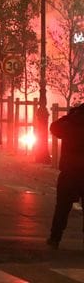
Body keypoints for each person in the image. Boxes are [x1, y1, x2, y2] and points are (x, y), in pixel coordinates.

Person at [46, 103, 84, 249]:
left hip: (69, 172)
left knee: (62, 207)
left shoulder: (69, 123)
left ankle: (55, 238)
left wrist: (70, 116)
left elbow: (54, 127)